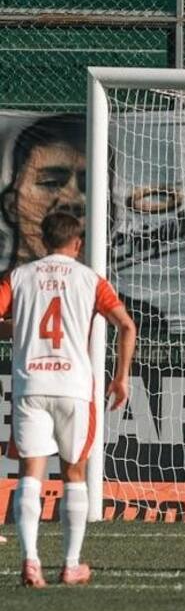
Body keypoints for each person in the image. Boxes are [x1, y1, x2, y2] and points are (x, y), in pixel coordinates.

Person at [0, 211, 137, 587]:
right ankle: (71, 564)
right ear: (77, 243)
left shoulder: (20, 276)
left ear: (43, 240)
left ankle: (30, 559)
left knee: (31, 473)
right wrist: (121, 377)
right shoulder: (90, 279)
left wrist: (22, 325)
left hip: (31, 385)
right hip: (74, 387)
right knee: (74, 474)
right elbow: (126, 325)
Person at [1, 115, 87, 266]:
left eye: (88, 186)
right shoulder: (13, 283)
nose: (73, 200)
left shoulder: (95, 284)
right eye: (51, 183)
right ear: (12, 205)